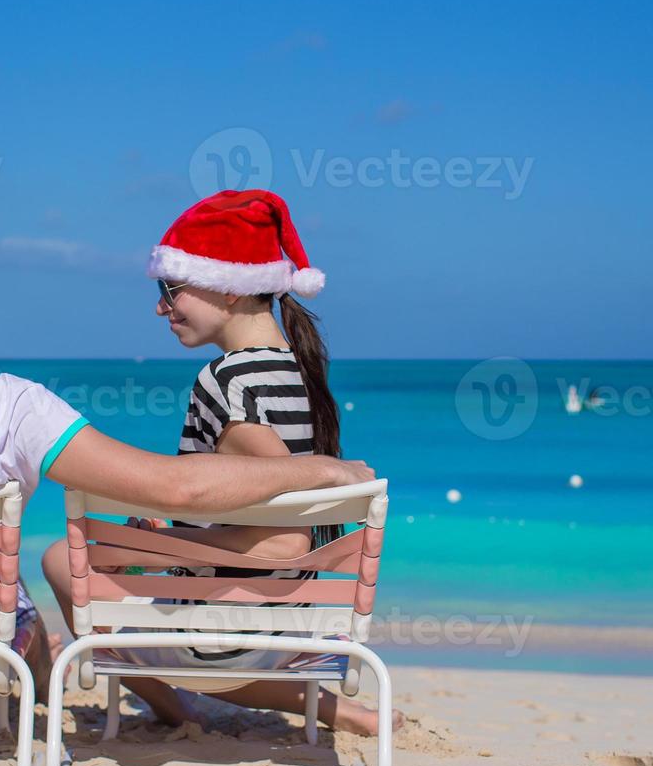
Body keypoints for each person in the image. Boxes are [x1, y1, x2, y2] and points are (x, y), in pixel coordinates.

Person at [0, 201, 374, 727]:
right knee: (29, 591)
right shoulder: (7, 405)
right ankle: (44, 702)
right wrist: (321, 470)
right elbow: (174, 488)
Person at [42, 190, 399, 736]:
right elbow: (279, 513)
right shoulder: (302, 372)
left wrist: (161, 548)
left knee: (59, 561)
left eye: (171, 289)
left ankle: (175, 709)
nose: (161, 307)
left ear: (229, 288)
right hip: (302, 625)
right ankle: (334, 708)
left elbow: (284, 540)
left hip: (231, 636)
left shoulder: (226, 381)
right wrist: (178, 531)